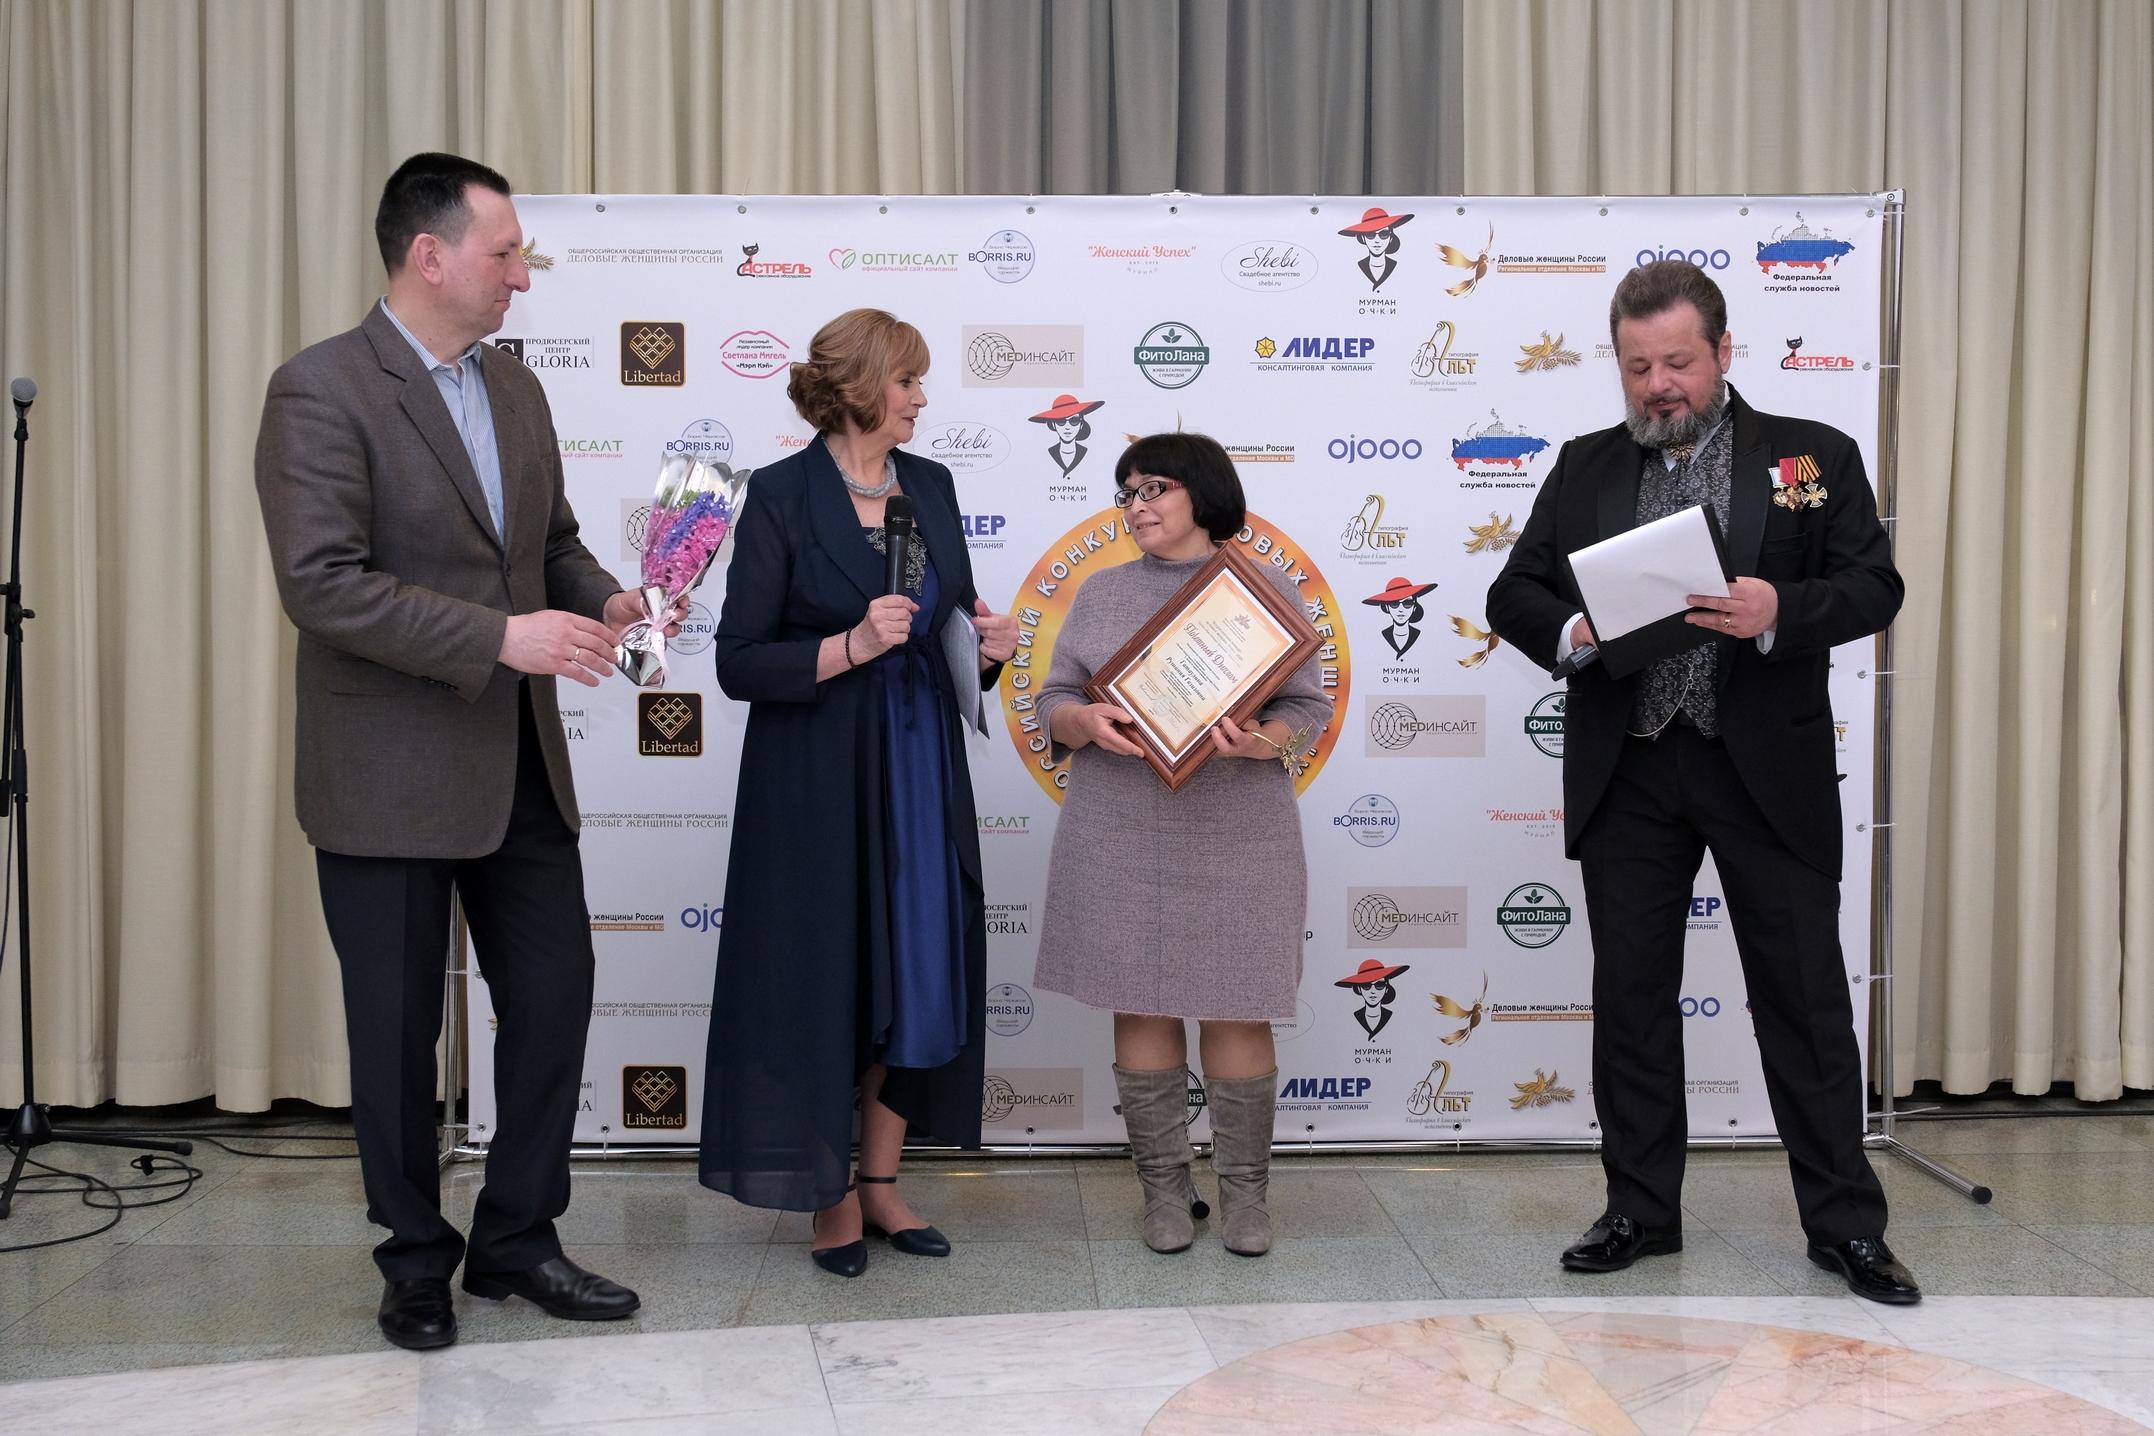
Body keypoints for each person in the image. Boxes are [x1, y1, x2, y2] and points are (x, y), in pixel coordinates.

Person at [254, 152, 644, 1351]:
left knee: (557, 997)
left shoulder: (514, 388)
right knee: (393, 1033)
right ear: (429, 255)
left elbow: (550, 544)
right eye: (505, 252)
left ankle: (517, 1238)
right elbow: (323, 584)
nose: (523, 275)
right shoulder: (319, 389)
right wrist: (501, 635)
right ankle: (413, 1257)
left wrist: (607, 596)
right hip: (385, 777)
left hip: (517, 764)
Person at [1485, 259, 1918, 1305]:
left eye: (1677, 362)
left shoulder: (1812, 455)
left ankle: (1846, 1226)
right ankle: (1640, 1209)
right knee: (1632, 1000)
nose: (1658, 385)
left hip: (1764, 768)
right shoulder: (1584, 465)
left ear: (1724, 352)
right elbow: (1513, 591)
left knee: (1804, 999)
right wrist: (1574, 631)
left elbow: (1875, 583)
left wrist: (1781, 610)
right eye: (1637, 367)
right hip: (1630, 768)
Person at [699, 308, 1018, 1278]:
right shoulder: (780, 494)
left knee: (914, 975)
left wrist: (988, 650)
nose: (922, 397)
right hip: (815, 782)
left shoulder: (933, 484)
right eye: (908, 380)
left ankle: (881, 1182)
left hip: (920, 769)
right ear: (859, 386)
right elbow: (738, 661)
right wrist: (849, 645)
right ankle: (827, 1195)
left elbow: (946, 623)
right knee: (825, 978)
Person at [1031, 432, 1329, 1258]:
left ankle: (1246, 1199)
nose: (1137, 505)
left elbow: (1307, 706)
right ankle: (1164, 1193)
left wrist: (1262, 741)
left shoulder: (1262, 591)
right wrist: (1082, 719)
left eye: (1154, 487)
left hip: (1238, 829)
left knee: (1237, 1005)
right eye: (1126, 492)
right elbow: (1052, 699)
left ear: (1204, 491)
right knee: (1141, 1002)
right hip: (1119, 828)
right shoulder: (1101, 592)